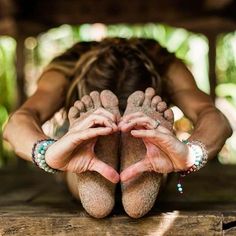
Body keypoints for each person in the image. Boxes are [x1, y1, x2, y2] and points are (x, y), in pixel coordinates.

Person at [3, 37, 232, 218]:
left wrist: (45, 153)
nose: (119, 122)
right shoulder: (165, 64)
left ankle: (90, 164)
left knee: (72, 162)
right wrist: (192, 154)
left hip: (94, 141)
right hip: (145, 139)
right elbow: (213, 117)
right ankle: (136, 147)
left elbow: (17, 122)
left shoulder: (66, 66)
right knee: (73, 154)